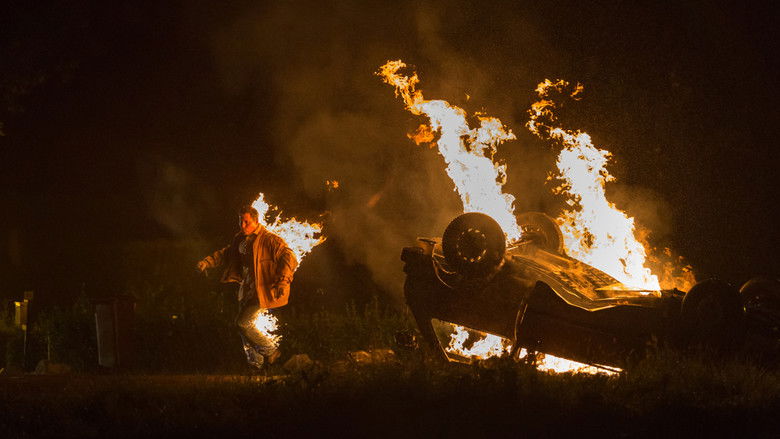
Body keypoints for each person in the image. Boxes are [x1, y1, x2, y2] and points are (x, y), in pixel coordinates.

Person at [197, 205, 298, 369]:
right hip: (247, 290)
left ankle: (271, 350)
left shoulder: (269, 239)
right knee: (245, 331)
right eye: (240, 221)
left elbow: (289, 257)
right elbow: (226, 254)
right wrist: (207, 262)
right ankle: (255, 366)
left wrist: (282, 281)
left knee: (242, 324)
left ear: (256, 221)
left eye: (246, 222)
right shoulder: (240, 239)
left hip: (264, 291)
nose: (243, 225)